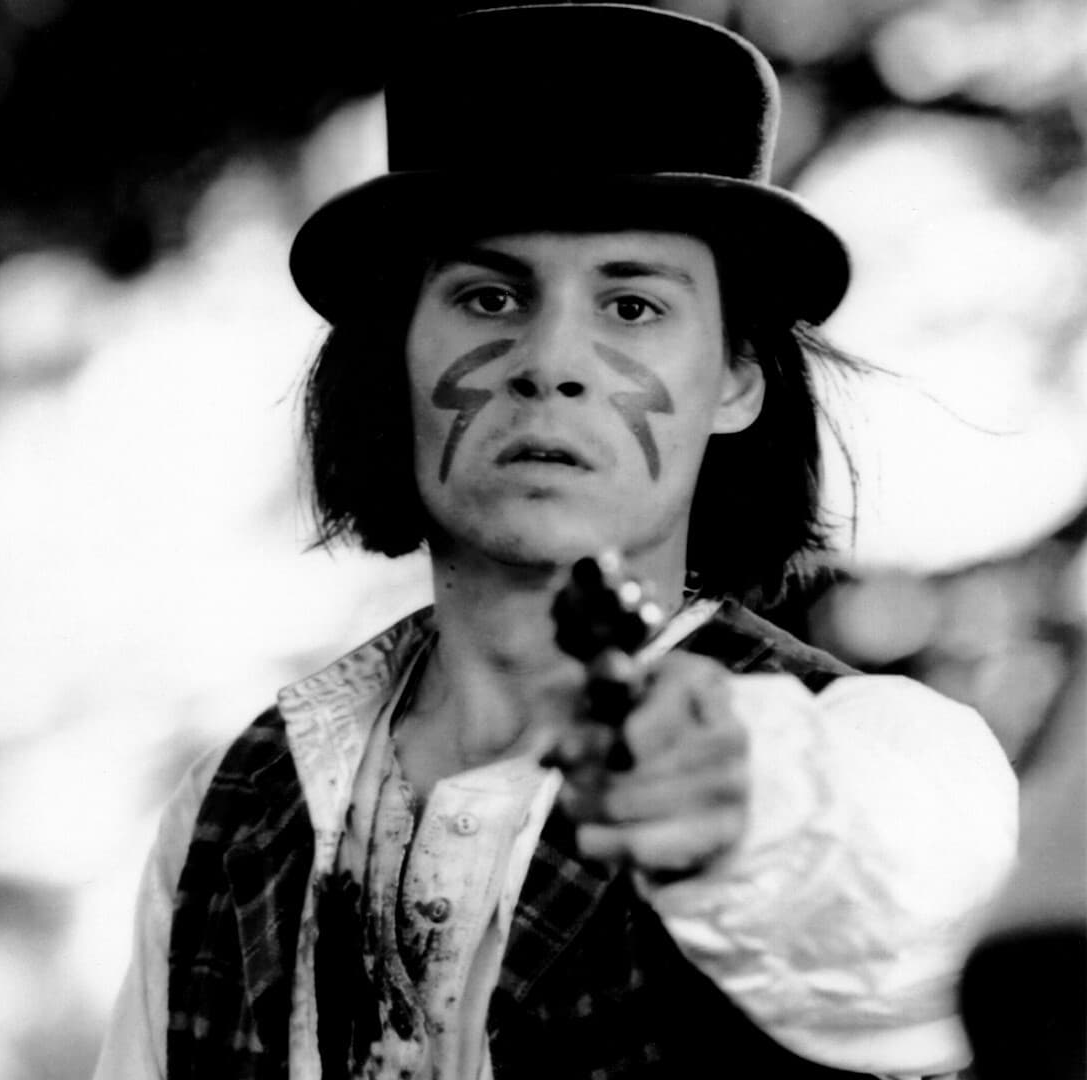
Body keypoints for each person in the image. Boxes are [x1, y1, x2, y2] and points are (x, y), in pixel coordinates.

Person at [91, 5, 1018, 1079]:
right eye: (489, 296)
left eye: (632, 306)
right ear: (393, 352)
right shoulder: (235, 809)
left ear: (736, 377)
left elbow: (904, 921)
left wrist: (753, 808)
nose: (550, 362)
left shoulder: (878, 755)